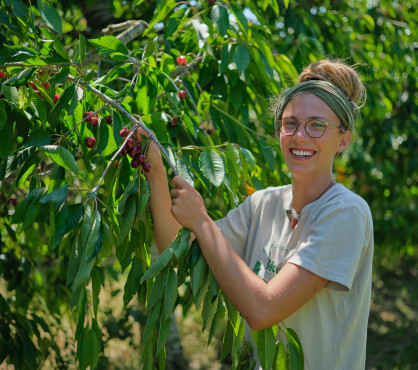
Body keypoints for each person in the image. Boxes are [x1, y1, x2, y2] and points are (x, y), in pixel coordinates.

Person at [138, 59, 374, 369]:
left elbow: (263, 310)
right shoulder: (264, 204)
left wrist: (202, 221)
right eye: (290, 123)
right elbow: (176, 252)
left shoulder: (346, 213)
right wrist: (154, 169)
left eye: (317, 125)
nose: (300, 136)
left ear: (343, 139)